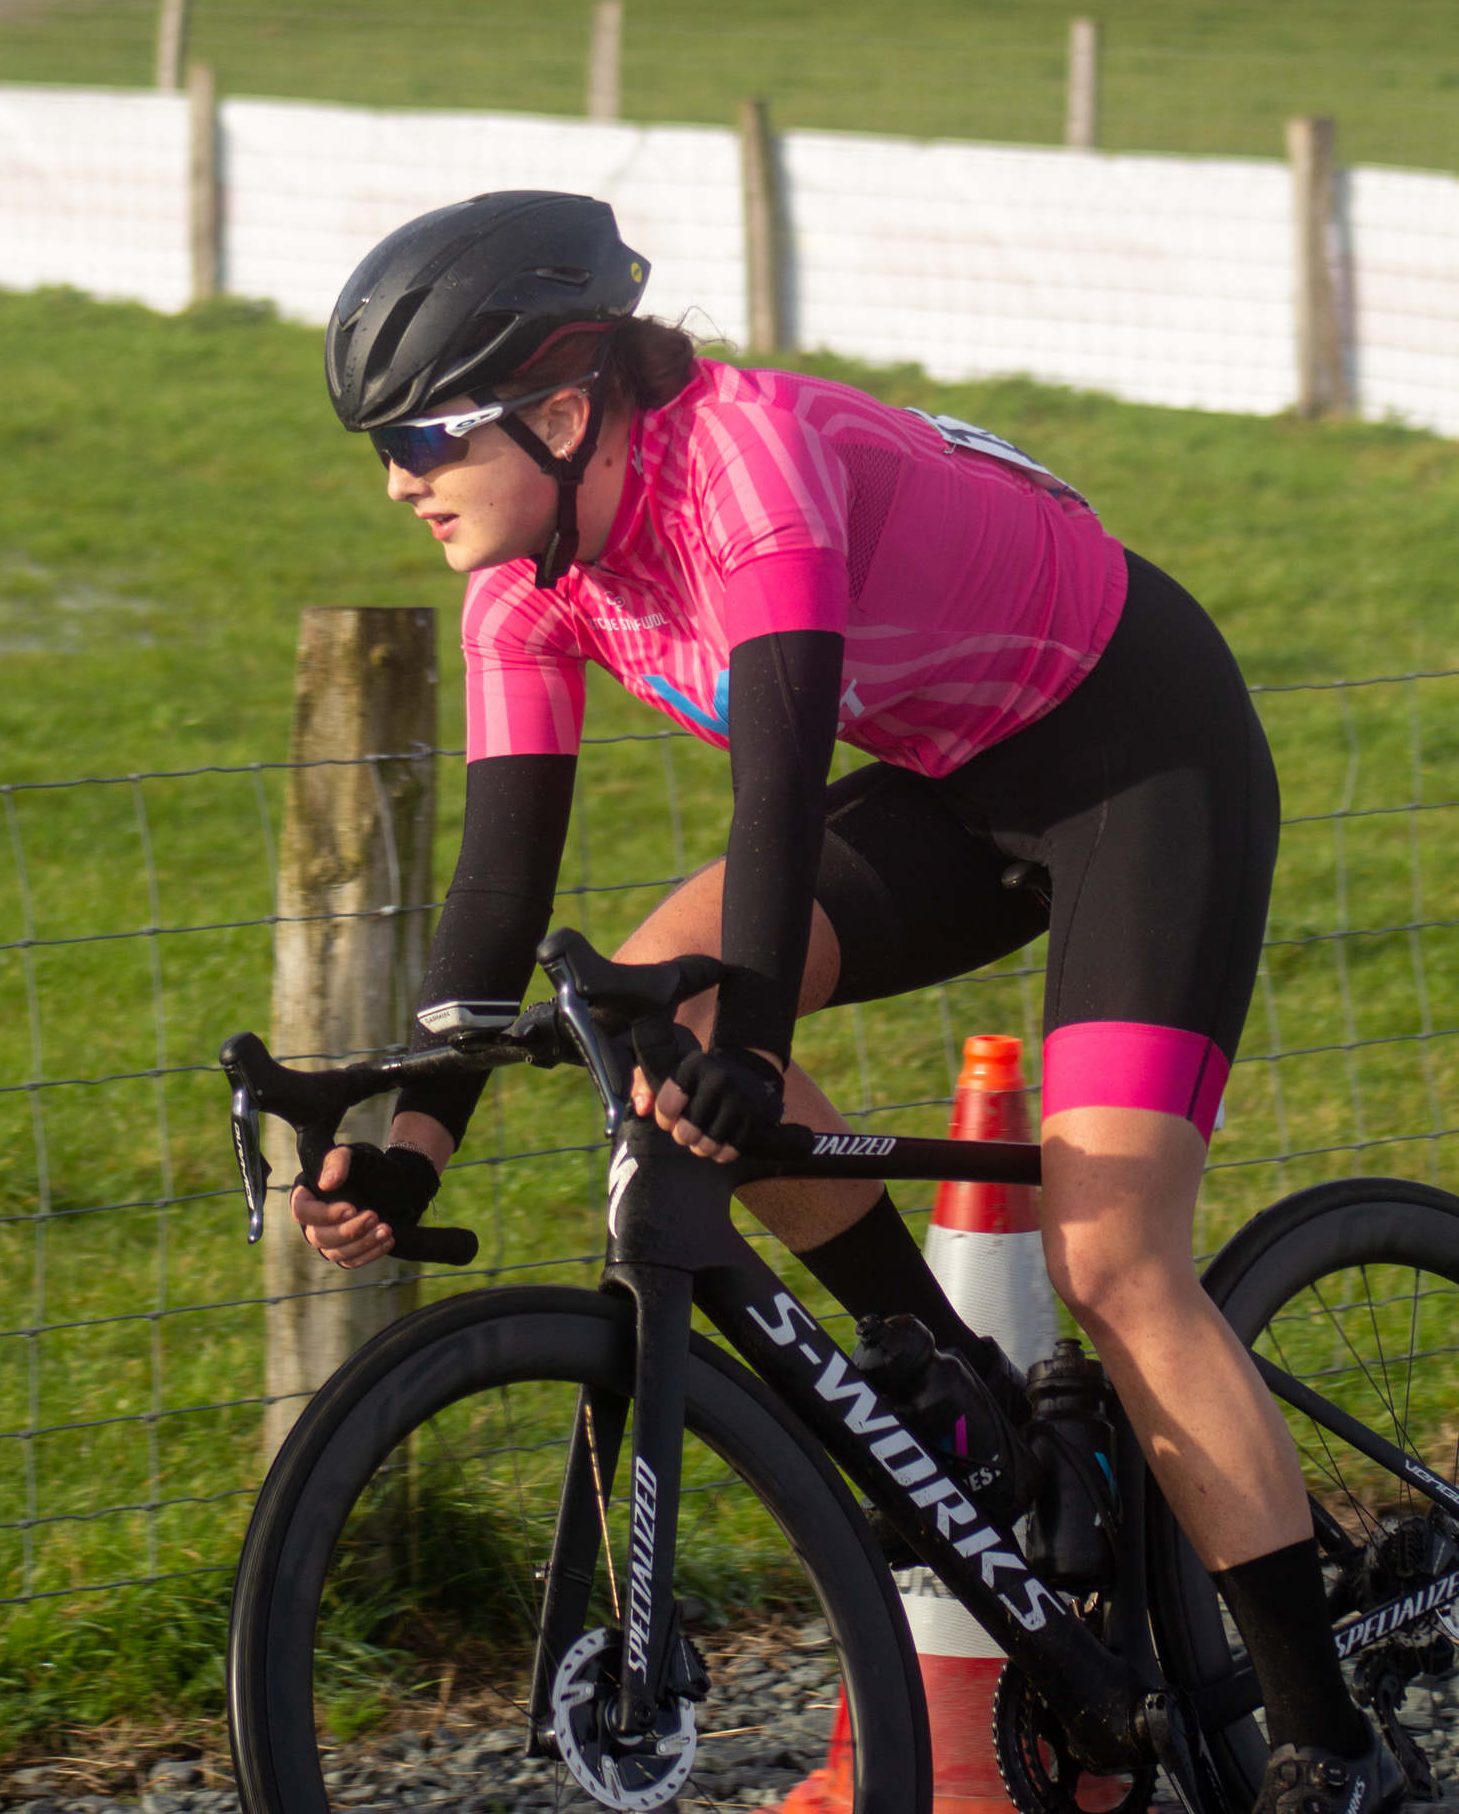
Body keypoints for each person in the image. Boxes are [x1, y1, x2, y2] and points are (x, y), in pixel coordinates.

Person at [294, 188, 1399, 1814]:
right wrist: (411, 1145)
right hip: (950, 776)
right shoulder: (522, 579)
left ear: (564, 404)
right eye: (379, 445)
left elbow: (775, 787)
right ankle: (957, 1391)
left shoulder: (746, 464)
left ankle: (1326, 1742)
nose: (399, 481)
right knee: (647, 1021)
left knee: (1110, 1252)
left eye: (425, 437)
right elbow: (498, 890)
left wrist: (753, 1051)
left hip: (1134, 755)